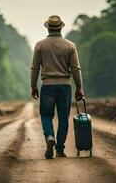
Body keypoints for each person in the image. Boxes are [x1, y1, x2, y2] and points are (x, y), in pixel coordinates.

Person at [31, 15, 84, 159]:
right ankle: (60, 149)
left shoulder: (40, 45)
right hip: (65, 87)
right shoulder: (70, 46)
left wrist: (33, 86)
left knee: (46, 115)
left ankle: (49, 136)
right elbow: (76, 69)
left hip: (47, 86)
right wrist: (79, 88)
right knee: (63, 118)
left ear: (48, 27)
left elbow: (35, 68)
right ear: (61, 27)